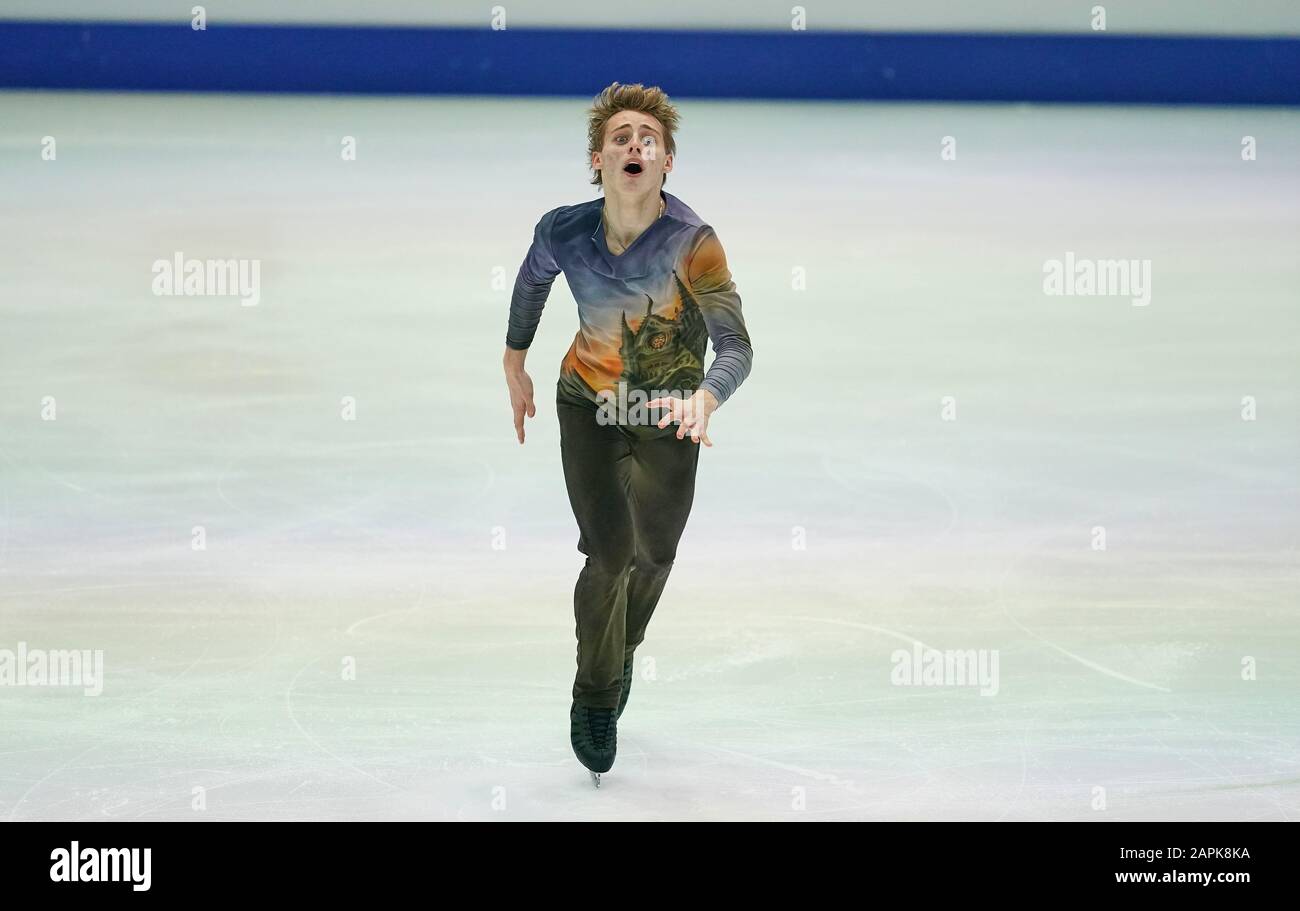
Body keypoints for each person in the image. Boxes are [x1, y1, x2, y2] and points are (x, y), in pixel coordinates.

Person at [502, 81, 754, 785]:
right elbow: (532, 281)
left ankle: (622, 647)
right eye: (621, 137)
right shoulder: (563, 229)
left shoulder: (693, 244)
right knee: (609, 551)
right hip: (586, 403)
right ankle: (593, 695)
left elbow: (737, 345)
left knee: (655, 555)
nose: (634, 144)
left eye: (648, 137)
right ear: (598, 160)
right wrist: (514, 359)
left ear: (666, 161)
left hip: (670, 413)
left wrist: (708, 395)